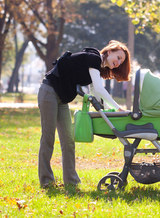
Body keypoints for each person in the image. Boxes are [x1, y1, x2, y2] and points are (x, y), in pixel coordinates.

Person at [37, 40, 131, 188]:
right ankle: (46, 181)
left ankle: (71, 181)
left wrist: (109, 111)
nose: (118, 63)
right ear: (110, 51)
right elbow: (99, 89)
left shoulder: (96, 68)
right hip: (49, 92)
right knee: (48, 138)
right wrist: (119, 108)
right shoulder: (93, 58)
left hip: (62, 99)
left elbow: (95, 92)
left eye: (121, 61)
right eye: (118, 57)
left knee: (68, 140)